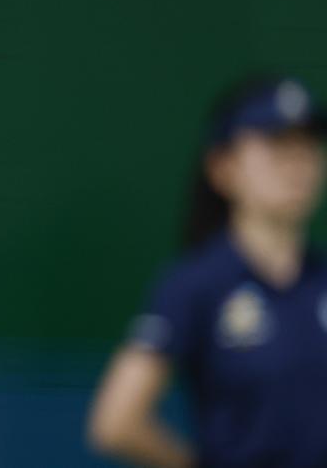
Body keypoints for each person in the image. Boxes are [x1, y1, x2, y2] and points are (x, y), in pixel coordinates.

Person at [88, 77, 327, 468]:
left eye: (308, 146)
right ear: (223, 167)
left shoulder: (321, 280)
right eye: (276, 145)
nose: (296, 162)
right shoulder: (197, 284)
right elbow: (115, 422)